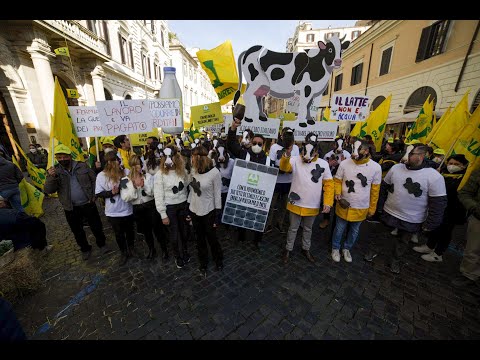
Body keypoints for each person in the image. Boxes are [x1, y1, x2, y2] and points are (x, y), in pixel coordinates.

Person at [371, 144, 447, 274]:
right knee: (381, 235)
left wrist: (431, 222)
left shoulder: (434, 176)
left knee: (403, 241)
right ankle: (373, 252)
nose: (407, 156)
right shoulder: (396, 168)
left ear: (421, 156)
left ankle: (395, 260)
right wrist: (379, 207)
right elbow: (384, 188)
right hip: (389, 212)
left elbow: (438, 202)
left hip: (412, 218)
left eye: (412, 154)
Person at [44, 144, 108, 260]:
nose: (62, 159)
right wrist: (51, 177)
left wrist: (94, 196)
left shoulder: (82, 166)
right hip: (71, 207)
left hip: (88, 203)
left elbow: (94, 180)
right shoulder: (54, 171)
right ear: (56, 158)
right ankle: (85, 249)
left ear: (70, 156)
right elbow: (48, 190)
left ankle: (102, 244)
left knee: (96, 226)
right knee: (77, 230)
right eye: (59, 157)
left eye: (65, 157)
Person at [280, 133, 334, 264]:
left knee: (308, 229)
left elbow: (329, 184)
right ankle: (288, 249)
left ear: (316, 151)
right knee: (293, 228)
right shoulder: (295, 159)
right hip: (295, 203)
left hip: (312, 204)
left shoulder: (323, 164)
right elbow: (284, 167)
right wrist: (286, 155)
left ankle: (306, 248)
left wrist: (327, 202)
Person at [227, 104, 272, 249]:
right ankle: (241, 236)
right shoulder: (243, 154)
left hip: (258, 195)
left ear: (263, 144)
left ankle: (256, 241)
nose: (257, 145)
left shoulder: (268, 160)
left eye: (260, 143)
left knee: (258, 218)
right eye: (255, 143)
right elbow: (231, 143)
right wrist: (233, 128)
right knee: (242, 215)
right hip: (244, 192)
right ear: (251, 143)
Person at [331, 139, 382, 263]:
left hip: (361, 206)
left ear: (366, 150)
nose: (355, 153)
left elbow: (375, 191)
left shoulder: (376, 168)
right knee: (339, 228)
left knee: (354, 230)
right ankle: (335, 248)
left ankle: (347, 248)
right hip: (344, 203)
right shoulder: (344, 164)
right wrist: (337, 193)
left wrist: (372, 208)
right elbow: (337, 180)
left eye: (359, 149)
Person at [413, 154, 469, 262]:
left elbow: (452, 191)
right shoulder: (443, 172)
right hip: (440, 207)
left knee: (445, 231)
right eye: (451, 163)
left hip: (453, 209)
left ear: (463, 165)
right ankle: (429, 246)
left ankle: (438, 254)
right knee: (435, 226)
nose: (452, 166)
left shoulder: (464, 178)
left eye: (457, 164)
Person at [154, 145, 191, 269]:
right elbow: (158, 195)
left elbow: (187, 185)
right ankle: (177, 256)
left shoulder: (182, 170)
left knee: (185, 232)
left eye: (172, 156)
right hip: (170, 207)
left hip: (183, 205)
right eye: (166, 157)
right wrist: (163, 214)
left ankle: (185, 251)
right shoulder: (159, 174)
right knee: (174, 235)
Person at [188, 145, 223, 277]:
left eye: (192, 157)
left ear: (197, 158)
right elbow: (192, 192)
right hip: (195, 210)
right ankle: (203, 262)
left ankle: (218, 259)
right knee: (199, 239)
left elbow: (217, 194)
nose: (191, 159)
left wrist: (217, 215)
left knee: (212, 238)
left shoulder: (214, 173)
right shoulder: (193, 171)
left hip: (209, 211)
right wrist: (188, 210)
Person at [120, 155, 163, 260]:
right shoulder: (125, 180)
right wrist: (134, 188)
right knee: (146, 231)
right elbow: (125, 197)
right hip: (138, 208)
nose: (139, 166)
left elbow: (153, 192)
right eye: (137, 164)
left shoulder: (148, 176)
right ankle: (152, 249)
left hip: (150, 205)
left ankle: (164, 249)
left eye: (140, 164)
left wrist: (144, 186)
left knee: (158, 229)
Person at [95, 150, 134, 266]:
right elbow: (98, 193)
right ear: (109, 163)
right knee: (119, 233)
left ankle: (131, 248)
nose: (118, 162)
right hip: (113, 212)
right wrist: (111, 193)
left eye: (118, 160)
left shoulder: (125, 172)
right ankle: (123, 252)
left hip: (127, 208)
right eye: (115, 160)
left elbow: (132, 185)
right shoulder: (101, 176)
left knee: (130, 231)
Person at [266, 127, 299, 234]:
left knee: (284, 205)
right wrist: (279, 170)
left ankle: (279, 223)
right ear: (281, 135)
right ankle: (268, 224)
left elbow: (297, 163)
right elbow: (271, 162)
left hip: (289, 181)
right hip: (275, 180)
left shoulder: (296, 148)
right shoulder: (274, 147)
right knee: (271, 204)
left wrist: (291, 170)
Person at [454, 167, 480, 287]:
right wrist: (475, 208)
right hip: (478, 219)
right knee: (473, 249)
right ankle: (469, 275)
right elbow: (465, 193)